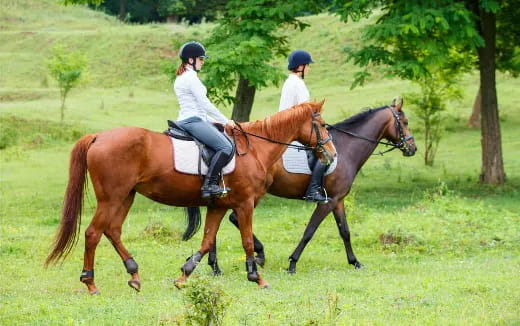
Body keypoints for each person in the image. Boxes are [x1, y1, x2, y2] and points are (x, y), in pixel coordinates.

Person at [173, 41, 235, 198]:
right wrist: (226, 120)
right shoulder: (191, 78)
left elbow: (196, 107)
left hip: (190, 118)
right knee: (226, 147)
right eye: (201, 59)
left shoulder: (182, 77)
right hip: (193, 121)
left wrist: (212, 121)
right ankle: (210, 185)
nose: (203, 62)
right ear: (191, 60)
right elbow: (205, 104)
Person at [279, 50, 329, 204]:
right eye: (307, 65)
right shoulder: (298, 84)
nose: (308, 68)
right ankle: (313, 190)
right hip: (294, 127)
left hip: (285, 124)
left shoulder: (289, 81)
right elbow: (305, 112)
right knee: (325, 154)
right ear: (300, 66)